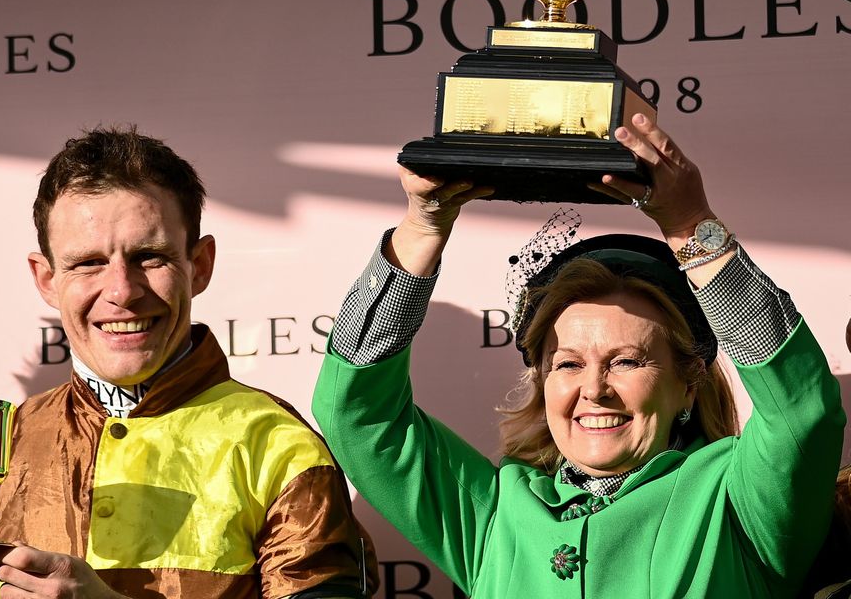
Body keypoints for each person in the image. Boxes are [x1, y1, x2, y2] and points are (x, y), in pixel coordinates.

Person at [312, 113, 845, 598]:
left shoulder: (736, 501)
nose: (594, 389)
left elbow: (800, 412)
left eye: (627, 361)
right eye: (567, 363)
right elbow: (357, 415)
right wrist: (422, 229)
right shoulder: (497, 512)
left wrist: (689, 224)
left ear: (688, 383)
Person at [0, 128, 377, 599]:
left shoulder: (279, 444)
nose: (122, 291)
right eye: (89, 263)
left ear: (200, 265)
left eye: (149, 257)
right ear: (47, 279)